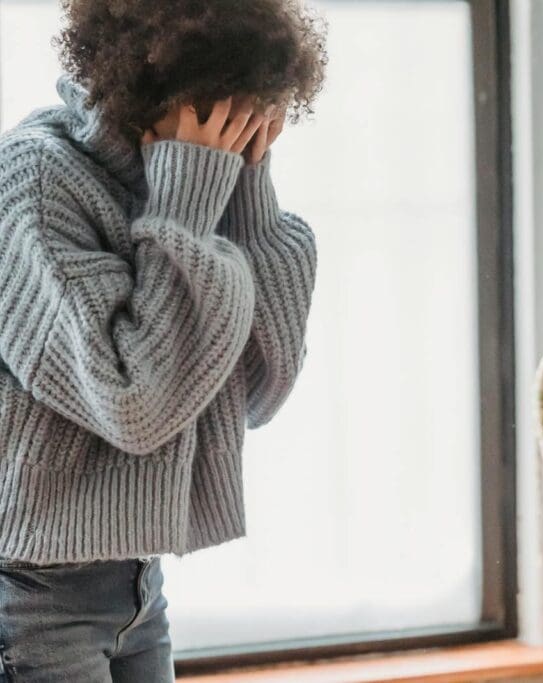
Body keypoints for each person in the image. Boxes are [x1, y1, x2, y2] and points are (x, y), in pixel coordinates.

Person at [0, 0, 326, 680]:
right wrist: (188, 197)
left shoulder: (190, 184)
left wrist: (246, 193)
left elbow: (254, 392)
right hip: (29, 595)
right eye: (230, 108)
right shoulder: (34, 182)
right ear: (165, 93)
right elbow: (135, 403)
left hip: (136, 584)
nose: (250, 126)